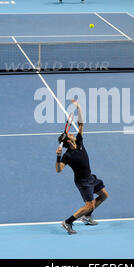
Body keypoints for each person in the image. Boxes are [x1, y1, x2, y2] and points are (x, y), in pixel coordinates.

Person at [56, 100, 109, 235]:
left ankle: (87, 216)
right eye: (70, 135)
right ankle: (67, 222)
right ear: (69, 140)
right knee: (88, 205)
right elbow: (58, 169)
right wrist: (58, 156)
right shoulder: (67, 156)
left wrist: (79, 107)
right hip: (83, 182)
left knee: (104, 195)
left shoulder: (79, 142)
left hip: (90, 177)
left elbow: (81, 123)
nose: (73, 134)